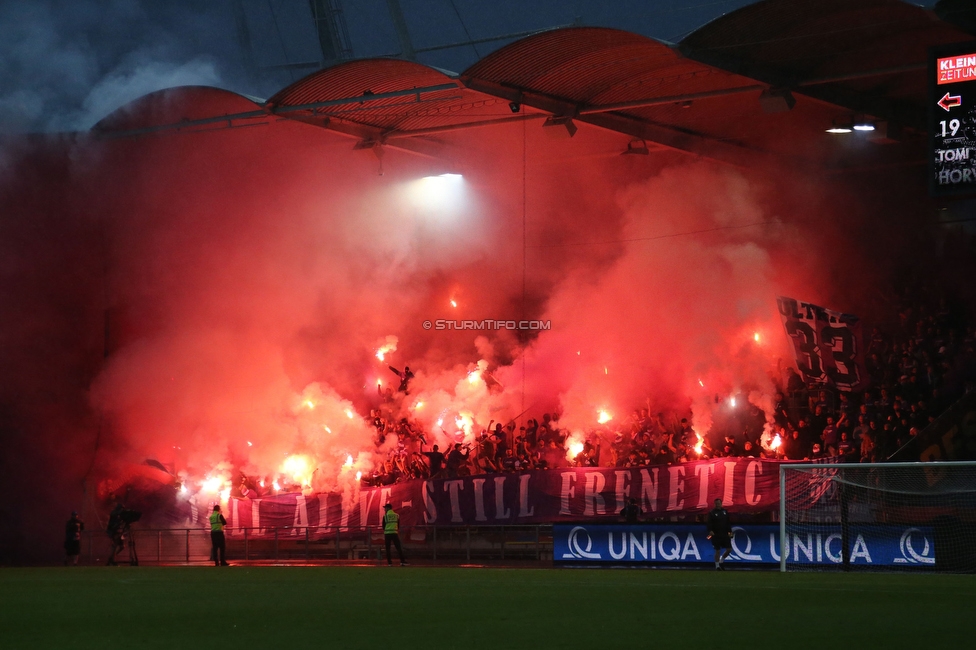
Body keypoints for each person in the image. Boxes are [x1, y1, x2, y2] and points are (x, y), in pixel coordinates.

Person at [706, 498, 733, 570]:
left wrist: (730, 533)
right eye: (716, 503)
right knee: (717, 550)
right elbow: (709, 523)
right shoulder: (712, 512)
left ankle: (722, 560)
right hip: (716, 534)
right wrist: (710, 531)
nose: (718, 505)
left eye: (719, 503)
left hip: (725, 534)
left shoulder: (725, 511)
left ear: (721, 504)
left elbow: (728, 523)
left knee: (729, 549)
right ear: (714, 504)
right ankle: (717, 566)